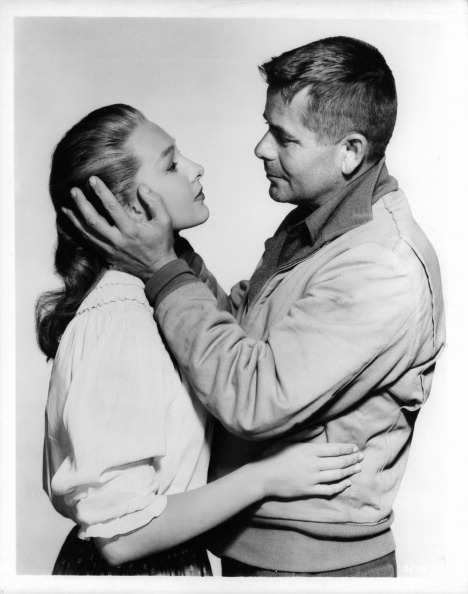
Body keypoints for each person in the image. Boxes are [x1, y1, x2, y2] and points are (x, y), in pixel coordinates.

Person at [64, 36, 445, 578]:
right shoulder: (315, 222)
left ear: (351, 152)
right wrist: (168, 257)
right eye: (268, 126)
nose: (262, 148)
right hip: (252, 552)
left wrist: (164, 267)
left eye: (284, 137)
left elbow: (253, 394)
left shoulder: (382, 266)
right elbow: (237, 335)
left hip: (315, 570)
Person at [37, 104, 363, 576]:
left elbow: (231, 345)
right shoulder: (119, 316)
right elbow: (121, 537)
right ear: (126, 208)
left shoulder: (150, 297)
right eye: (171, 164)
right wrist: (266, 477)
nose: (196, 168)